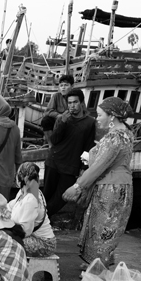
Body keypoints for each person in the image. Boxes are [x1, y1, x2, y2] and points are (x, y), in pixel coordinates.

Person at [63, 97, 135, 267]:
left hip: (111, 188)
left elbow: (99, 167)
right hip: (120, 185)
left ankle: (98, 268)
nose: (97, 118)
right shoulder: (127, 133)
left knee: (102, 228)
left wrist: (78, 186)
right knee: (109, 227)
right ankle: (97, 263)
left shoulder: (114, 138)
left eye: (100, 114)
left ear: (112, 116)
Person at [41, 87, 96, 218]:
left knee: (61, 198)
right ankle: (39, 222)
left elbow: (88, 147)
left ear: (82, 103)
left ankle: (40, 220)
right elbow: (54, 140)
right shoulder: (62, 119)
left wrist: (83, 168)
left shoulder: (90, 123)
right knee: (46, 195)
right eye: (69, 103)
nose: (72, 106)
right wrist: (62, 123)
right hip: (53, 161)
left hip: (70, 167)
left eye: (75, 102)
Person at [9, 163, 59, 257]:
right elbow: (10, 206)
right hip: (33, 238)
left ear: (19, 179)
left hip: (44, 244)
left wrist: (6, 229)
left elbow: (25, 231)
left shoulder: (31, 199)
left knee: (3, 241)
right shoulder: (23, 192)